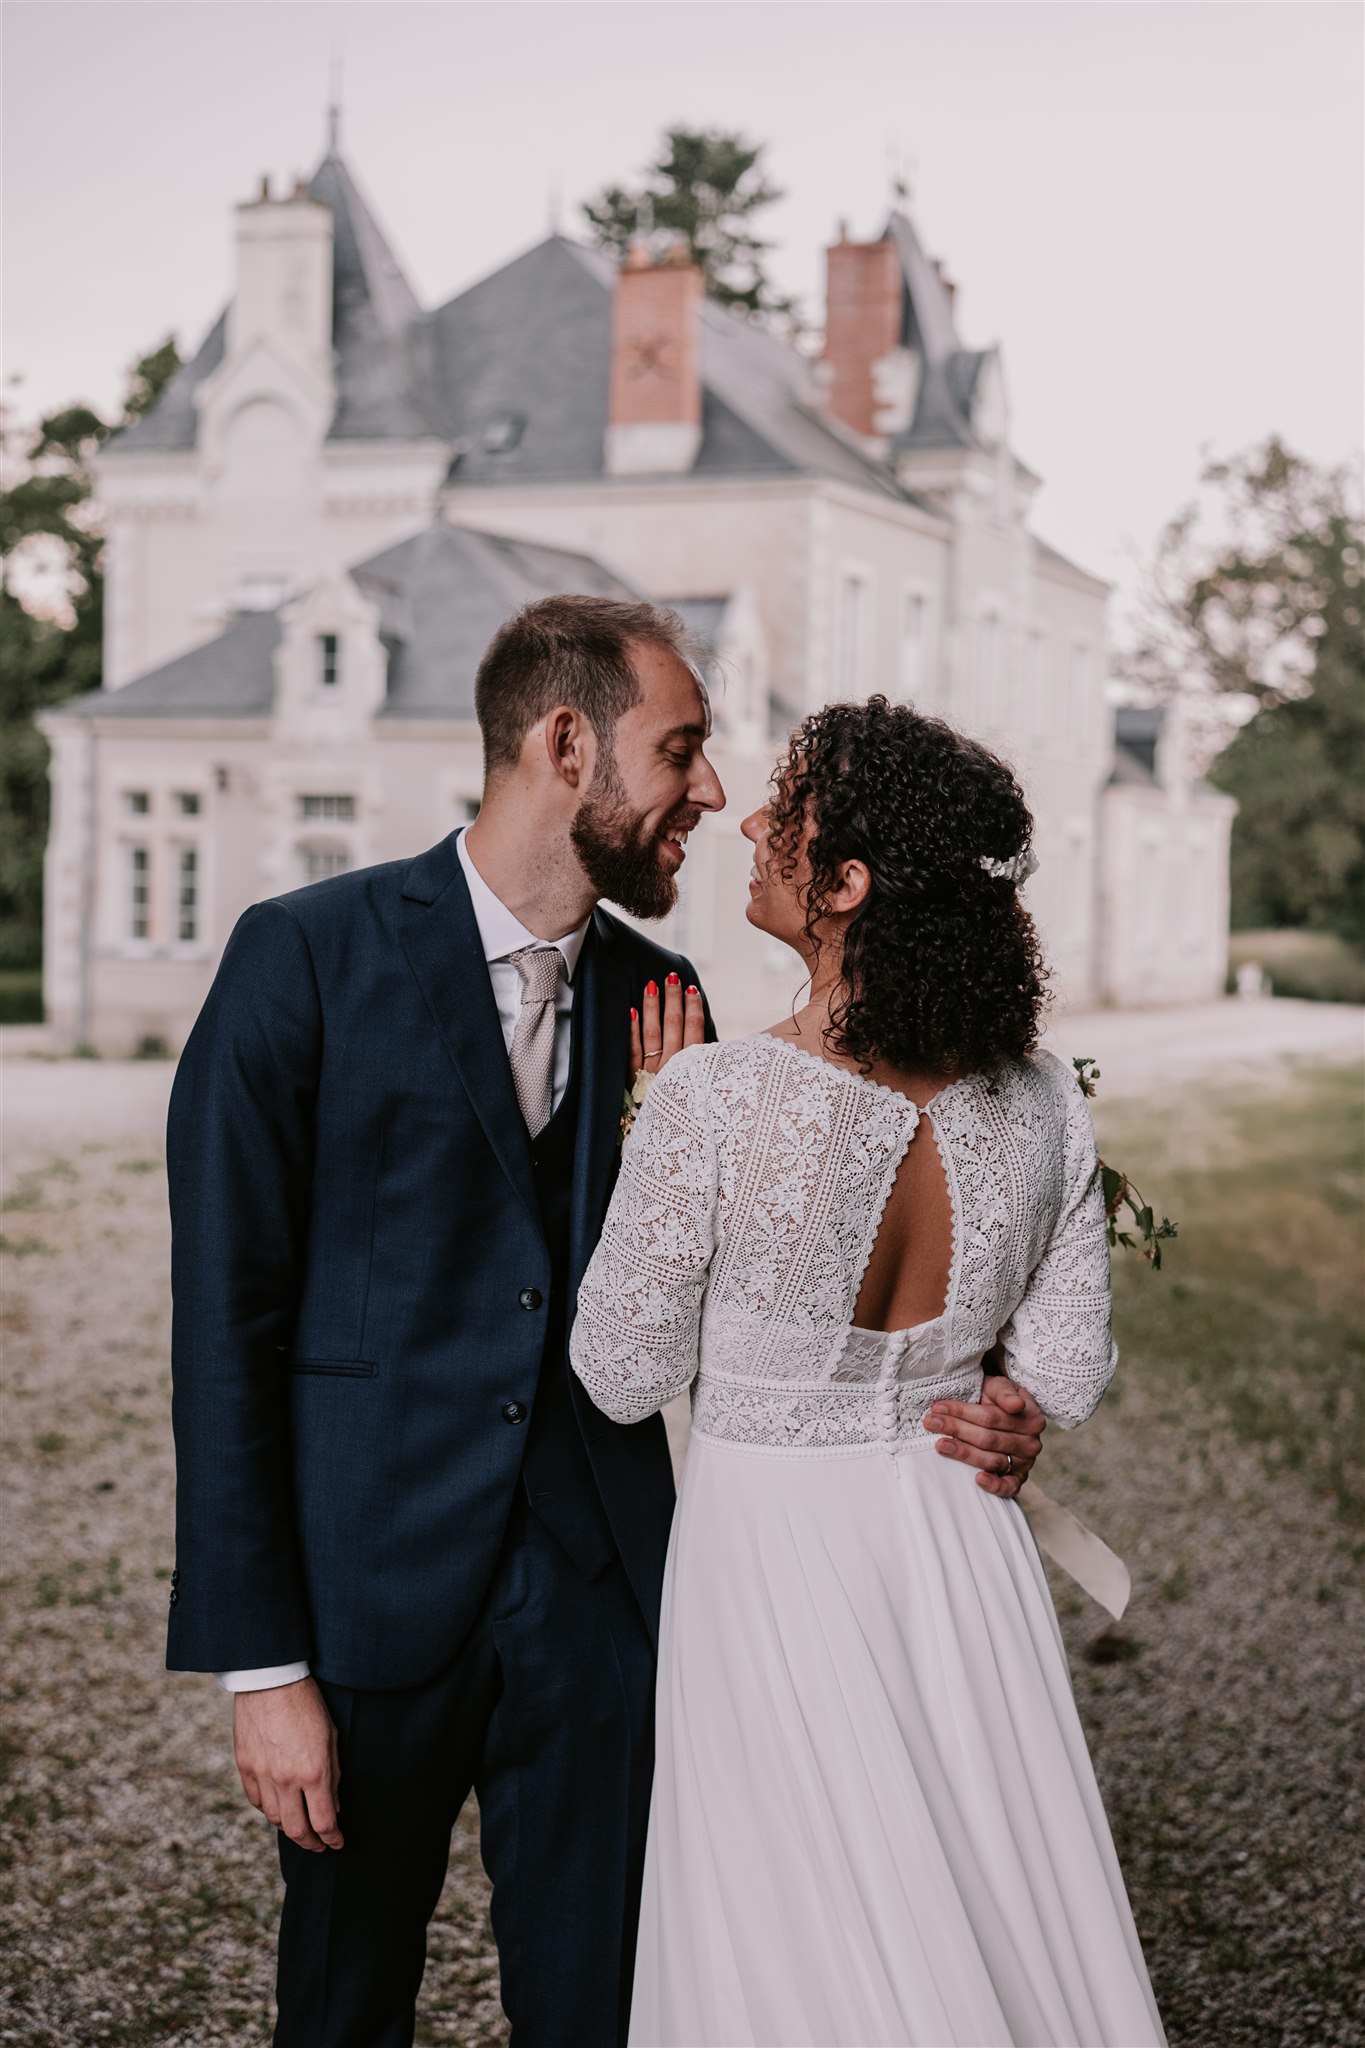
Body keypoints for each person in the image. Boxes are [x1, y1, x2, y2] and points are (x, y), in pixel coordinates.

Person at [166, 598, 1051, 2048]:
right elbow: (224, 1332)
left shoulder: (671, 1000)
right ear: (567, 745)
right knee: (341, 2000)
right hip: (367, 1595)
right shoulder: (303, 956)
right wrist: (264, 1671)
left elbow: (791, 1285)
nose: (711, 791)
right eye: (682, 749)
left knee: (601, 2008)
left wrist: (983, 1384)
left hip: (607, 1601)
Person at [571, 695, 1167, 2047]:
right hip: (953, 1540)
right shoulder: (1040, 1098)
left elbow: (618, 1372)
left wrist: (648, 1127)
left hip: (776, 1551)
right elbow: (1062, 1365)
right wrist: (1002, 1402)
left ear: (842, 885)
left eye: (787, 812)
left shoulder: (714, 1098)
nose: (755, 827)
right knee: (982, 1878)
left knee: (791, 1910)